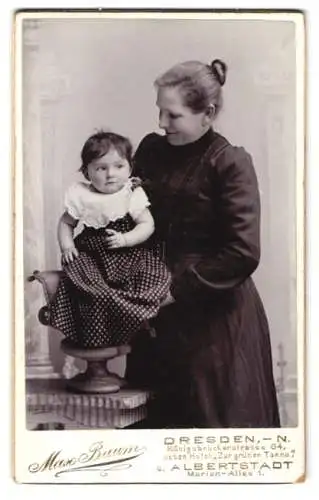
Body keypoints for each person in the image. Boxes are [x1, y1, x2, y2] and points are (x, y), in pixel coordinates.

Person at [125, 59, 280, 428]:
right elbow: (129, 211)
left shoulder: (230, 163)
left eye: (173, 115)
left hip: (214, 324)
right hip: (156, 315)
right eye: (160, 112)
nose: (161, 123)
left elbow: (242, 252)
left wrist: (175, 290)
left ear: (207, 113)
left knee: (209, 431)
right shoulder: (150, 150)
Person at [48, 131, 171, 348]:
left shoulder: (131, 193)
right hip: (92, 255)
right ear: (87, 172)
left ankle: (134, 316)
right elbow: (66, 223)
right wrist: (67, 246)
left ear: (130, 168)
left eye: (118, 166)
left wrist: (126, 239)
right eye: (101, 168)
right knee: (86, 285)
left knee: (154, 277)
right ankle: (97, 333)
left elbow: (146, 225)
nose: (110, 174)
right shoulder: (82, 195)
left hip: (127, 253)